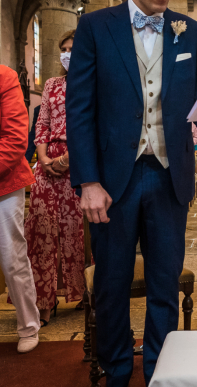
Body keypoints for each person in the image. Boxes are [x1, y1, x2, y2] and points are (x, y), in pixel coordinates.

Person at [65, 0, 197, 385]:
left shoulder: (192, 32)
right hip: (112, 182)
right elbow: (79, 113)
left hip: (169, 177)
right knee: (112, 289)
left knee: (163, 287)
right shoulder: (95, 29)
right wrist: (88, 182)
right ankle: (118, 371)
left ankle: (162, 373)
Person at [18, 30, 85, 326]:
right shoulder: (52, 84)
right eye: (64, 49)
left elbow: (92, 125)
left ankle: (81, 291)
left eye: (73, 48)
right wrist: (43, 159)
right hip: (47, 163)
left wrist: (70, 158)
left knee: (75, 232)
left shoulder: (91, 84)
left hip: (79, 160)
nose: (67, 54)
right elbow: (42, 121)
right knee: (42, 230)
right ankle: (43, 302)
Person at [0, 64, 41, 353]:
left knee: (11, 256)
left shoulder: (4, 76)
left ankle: (28, 325)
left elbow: (15, 140)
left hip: (4, 181)